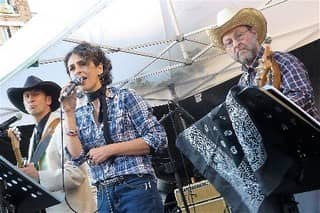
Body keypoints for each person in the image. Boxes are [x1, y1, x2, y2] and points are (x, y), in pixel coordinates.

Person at [60, 42, 167, 213]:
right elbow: (76, 158)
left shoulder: (125, 97)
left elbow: (157, 138)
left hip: (136, 186)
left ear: (100, 68)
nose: (77, 71)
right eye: (71, 68)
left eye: (83, 64)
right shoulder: (78, 113)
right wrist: (69, 113)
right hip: (103, 194)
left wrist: (109, 150)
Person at [207, 7, 320, 121]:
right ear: (227, 50)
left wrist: (264, 117)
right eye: (229, 42)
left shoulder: (284, 61)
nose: (236, 44)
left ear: (254, 33)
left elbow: (303, 97)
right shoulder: (242, 83)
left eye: (239, 35)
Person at [7, 75, 96, 213]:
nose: (30, 99)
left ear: (48, 100)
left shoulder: (63, 127)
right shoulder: (35, 135)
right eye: (27, 96)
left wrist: (38, 176)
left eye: (36, 94)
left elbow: (76, 174)